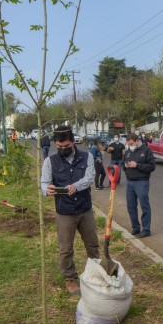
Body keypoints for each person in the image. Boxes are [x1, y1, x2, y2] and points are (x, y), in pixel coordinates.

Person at [40, 125, 100, 296]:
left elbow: (89, 178)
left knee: (92, 244)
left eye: (66, 146)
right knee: (66, 249)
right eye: (59, 147)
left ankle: (95, 274)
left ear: (73, 142)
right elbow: (44, 183)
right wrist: (47, 190)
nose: (63, 149)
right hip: (64, 212)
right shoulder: (49, 162)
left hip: (84, 209)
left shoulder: (86, 156)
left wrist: (76, 186)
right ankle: (70, 279)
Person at [123, 133, 156, 238]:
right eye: (128, 144)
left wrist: (137, 165)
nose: (130, 145)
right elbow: (123, 165)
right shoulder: (128, 152)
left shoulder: (146, 151)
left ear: (137, 141)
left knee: (144, 206)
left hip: (142, 182)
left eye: (131, 143)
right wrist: (125, 166)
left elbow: (152, 166)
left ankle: (146, 229)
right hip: (130, 182)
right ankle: (136, 228)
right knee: (131, 206)